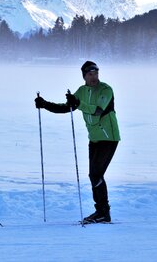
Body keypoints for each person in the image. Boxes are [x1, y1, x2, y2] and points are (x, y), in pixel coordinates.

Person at [35, 61, 120, 224]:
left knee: (96, 174)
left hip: (109, 137)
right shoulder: (82, 91)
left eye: (95, 73)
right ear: (84, 76)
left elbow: (98, 110)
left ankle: (103, 213)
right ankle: (101, 212)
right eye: (90, 74)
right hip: (94, 138)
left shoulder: (105, 90)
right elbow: (67, 108)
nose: (93, 77)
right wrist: (45, 105)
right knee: (94, 175)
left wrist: (79, 103)